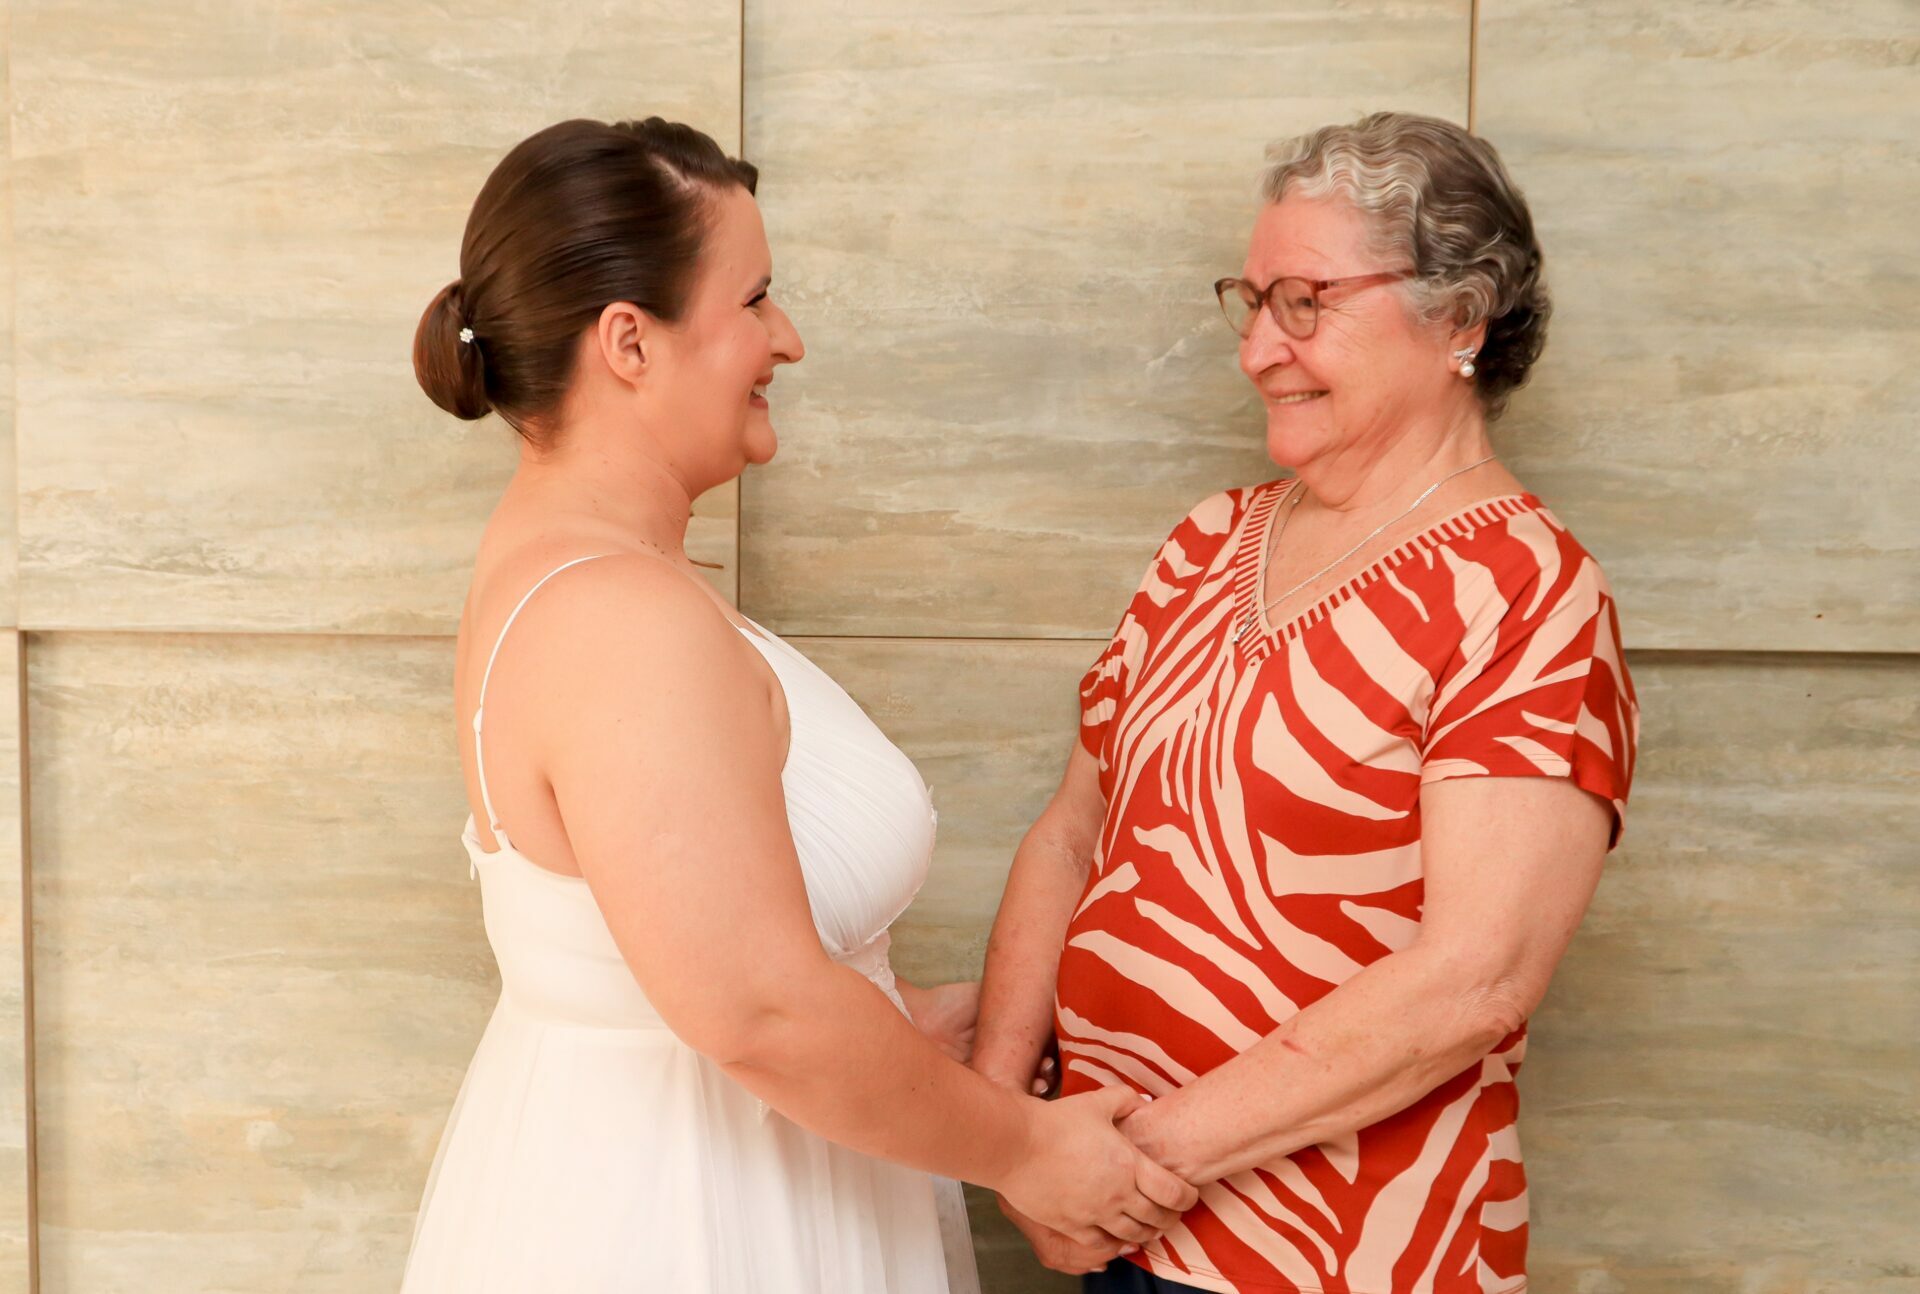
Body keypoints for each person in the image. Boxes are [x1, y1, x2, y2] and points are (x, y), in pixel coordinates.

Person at [399, 117, 1196, 1294]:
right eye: (755, 298)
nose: (788, 339)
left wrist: (905, 1026)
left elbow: (685, 945)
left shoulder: (587, 577)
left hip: (689, 1170)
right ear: (629, 340)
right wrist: (1030, 1152)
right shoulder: (620, 620)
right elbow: (760, 1011)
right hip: (684, 1224)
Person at [973, 111, 1640, 1294]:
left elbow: (1472, 980)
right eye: (1252, 301)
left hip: (1340, 1254)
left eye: (1305, 302)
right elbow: (1073, 834)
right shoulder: (1205, 541)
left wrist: (1133, 1168)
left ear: (1461, 316)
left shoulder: (1527, 590)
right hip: (1114, 1225)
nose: (1256, 351)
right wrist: (1008, 1132)